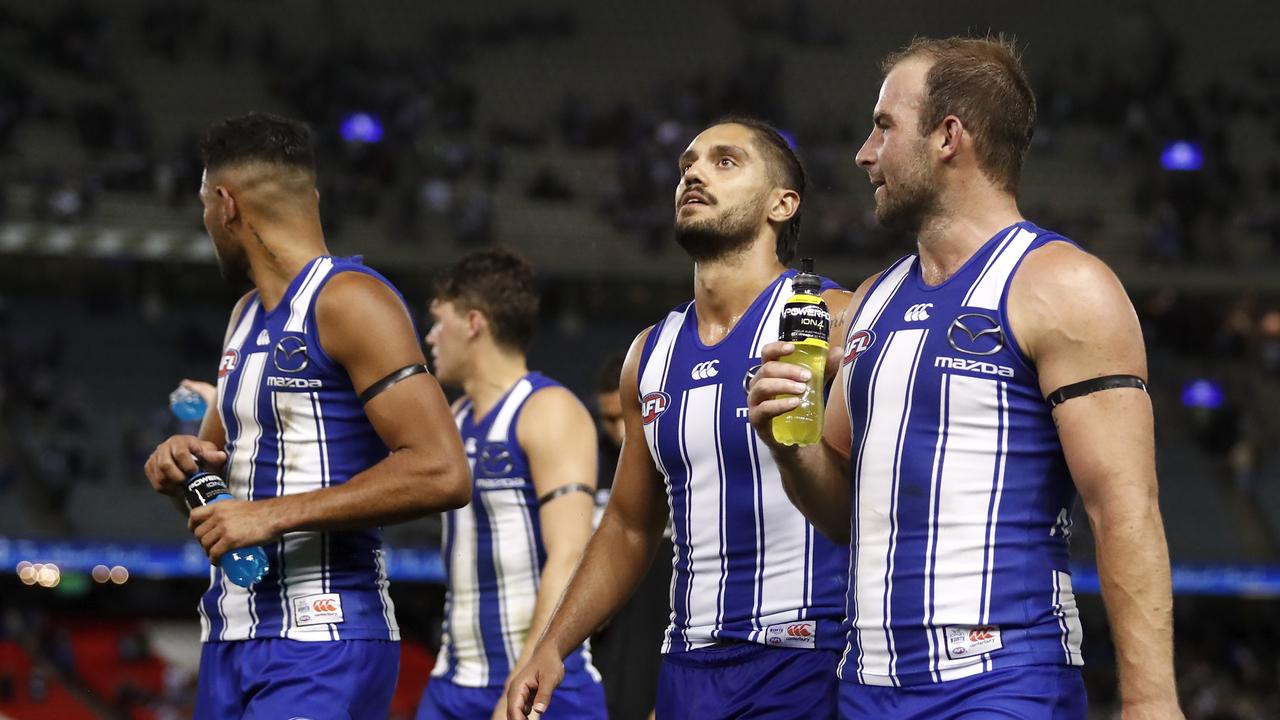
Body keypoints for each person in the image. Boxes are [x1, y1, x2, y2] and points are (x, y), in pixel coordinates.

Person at [746, 37, 1182, 719]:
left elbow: (1124, 509)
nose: (864, 152)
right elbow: (842, 515)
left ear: (950, 137)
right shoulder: (870, 303)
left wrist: (1152, 702)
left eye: (884, 126)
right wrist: (790, 446)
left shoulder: (1065, 287)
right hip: (867, 688)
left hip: (1003, 685)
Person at [508, 117, 854, 720]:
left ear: (783, 203)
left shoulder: (832, 317)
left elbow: (873, 503)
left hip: (809, 659)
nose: (693, 173)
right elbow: (628, 526)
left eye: (725, 162)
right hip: (686, 666)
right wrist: (554, 644)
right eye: (687, 164)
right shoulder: (650, 352)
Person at [141, 112, 471, 720]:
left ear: (225, 204)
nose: (206, 221)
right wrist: (180, 468)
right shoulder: (243, 317)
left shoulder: (352, 300)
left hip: (324, 640)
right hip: (230, 640)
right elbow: (221, 497)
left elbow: (443, 471)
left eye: (203, 207)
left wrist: (269, 516)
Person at [418, 248, 606, 720]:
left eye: (440, 321)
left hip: (542, 689)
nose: (430, 337)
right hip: (453, 683)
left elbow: (569, 554)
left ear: (474, 322)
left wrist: (519, 685)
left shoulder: (548, 410)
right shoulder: (451, 422)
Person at [588, 353, 672, 720]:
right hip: (604, 651)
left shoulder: (678, 459)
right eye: (610, 420)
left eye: (627, 416)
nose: (622, 431)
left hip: (665, 640)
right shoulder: (587, 465)